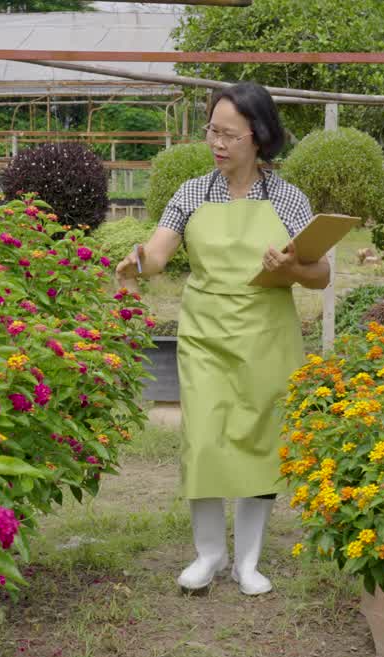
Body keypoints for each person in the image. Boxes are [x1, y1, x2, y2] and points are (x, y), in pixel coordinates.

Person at [116, 82, 330, 595]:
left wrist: (293, 266)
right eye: (212, 130)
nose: (217, 142)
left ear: (258, 137)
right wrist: (137, 262)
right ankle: (209, 554)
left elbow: (320, 274)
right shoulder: (193, 191)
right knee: (205, 440)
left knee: (259, 442)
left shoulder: (288, 197)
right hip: (206, 334)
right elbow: (160, 252)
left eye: (228, 134)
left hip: (267, 337)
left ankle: (248, 562)